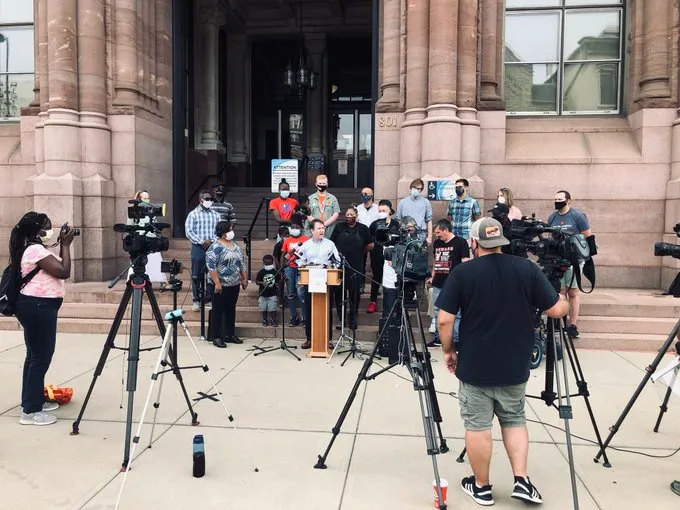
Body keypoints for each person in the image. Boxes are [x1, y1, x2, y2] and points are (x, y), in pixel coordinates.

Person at [436, 217, 569, 506]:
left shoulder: (463, 272)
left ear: (474, 242)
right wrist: (566, 300)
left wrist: (448, 351)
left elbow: (445, 319)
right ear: (501, 242)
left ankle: (481, 487)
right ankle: (521, 480)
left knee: (478, 426)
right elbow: (556, 309)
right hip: (514, 364)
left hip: (475, 365)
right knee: (514, 420)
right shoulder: (526, 268)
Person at [10, 212, 76, 426]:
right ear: (36, 231)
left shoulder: (33, 248)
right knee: (41, 357)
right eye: (47, 227)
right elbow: (63, 271)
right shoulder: (35, 249)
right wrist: (66, 245)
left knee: (34, 356)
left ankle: (34, 399)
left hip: (36, 306)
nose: (50, 231)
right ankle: (30, 411)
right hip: (37, 307)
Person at [547, 190, 592, 339]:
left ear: (568, 201)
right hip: (557, 259)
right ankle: (559, 323)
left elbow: (587, 237)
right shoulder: (552, 217)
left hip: (573, 259)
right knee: (560, 291)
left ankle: (572, 325)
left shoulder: (577, 216)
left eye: (560, 199)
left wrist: (586, 258)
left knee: (572, 292)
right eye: (555, 199)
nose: (557, 201)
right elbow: (549, 236)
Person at [425, 219, 469, 347]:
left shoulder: (460, 242)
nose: (437, 235)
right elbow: (436, 262)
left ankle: (455, 340)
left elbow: (465, 262)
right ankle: (439, 339)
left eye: (438, 232)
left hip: (454, 284)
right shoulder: (437, 243)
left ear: (446, 230)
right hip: (438, 282)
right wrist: (432, 278)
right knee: (437, 310)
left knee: (457, 312)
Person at [297, 219, 340, 350]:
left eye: (323, 228)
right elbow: (299, 260)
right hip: (310, 280)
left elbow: (337, 261)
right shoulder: (306, 245)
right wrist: (304, 265)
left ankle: (328, 339)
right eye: (319, 228)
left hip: (327, 280)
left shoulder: (330, 244)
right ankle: (310, 338)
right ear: (312, 230)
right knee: (310, 309)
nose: (322, 230)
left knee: (328, 309)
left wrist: (331, 266)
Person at [330, 206, 374, 330]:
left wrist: (361, 251)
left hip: (356, 266)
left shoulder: (363, 228)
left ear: (356, 215)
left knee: (355, 295)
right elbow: (331, 243)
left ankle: (353, 319)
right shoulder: (339, 227)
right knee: (339, 294)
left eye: (351, 214)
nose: (348, 216)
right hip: (340, 266)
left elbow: (371, 244)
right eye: (347, 214)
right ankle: (342, 319)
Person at [206, 221, 248, 348]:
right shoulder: (215, 247)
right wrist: (217, 283)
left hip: (234, 283)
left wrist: (244, 278)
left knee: (231, 309)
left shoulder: (235, 246)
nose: (232, 231)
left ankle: (230, 334)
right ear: (224, 233)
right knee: (218, 310)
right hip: (219, 284)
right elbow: (211, 266)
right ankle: (217, 336)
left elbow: (241, 262)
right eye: (230, 229)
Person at [185, 190, 221, 312]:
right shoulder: (193, 214)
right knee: (196, 275)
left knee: (211, 273)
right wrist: (201, 241)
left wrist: (211, 241)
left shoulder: (216, 215)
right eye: (207, 199)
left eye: (211, 199)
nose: (209, 201)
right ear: (201, 200)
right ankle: (196, 299)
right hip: (198, 247)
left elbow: (219, 231)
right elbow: (189, 231)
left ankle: (209, 298)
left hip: (212, 247)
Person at [368, 200, 400, 314]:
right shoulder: (374, 224)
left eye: (384, 210)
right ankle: (373, 301)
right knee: (376, 276)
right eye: (380, 211)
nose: (381, 212)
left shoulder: (396, 224)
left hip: (391, 254)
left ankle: (394, 300)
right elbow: (369, 239)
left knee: (392, 278)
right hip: (377, 252)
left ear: (390, 211)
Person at [127, 190, 166, 285]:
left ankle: (160, 280)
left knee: (155, 259)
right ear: (139, 199)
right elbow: (130, 226)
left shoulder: (151, 209)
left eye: (148, 198)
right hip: (139, 239)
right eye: (144, 198)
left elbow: (155, 224)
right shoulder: (133, 211)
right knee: (140, 261)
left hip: (151, 238)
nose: (147, 200)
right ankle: (137, 281)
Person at [280, 214, 309, 326]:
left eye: (297, 227)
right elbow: (283, 254)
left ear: (301, 228)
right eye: (292, 227)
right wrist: (283, 267)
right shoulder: (288, 240)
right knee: (291, 293)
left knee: (301, 293)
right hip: (289, 268)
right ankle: (293, 317)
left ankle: (305, 317)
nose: (294, 229)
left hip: (301, 268)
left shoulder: (306, 239)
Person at [357, 187, 380, 294]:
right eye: (362, 194)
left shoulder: (377, 208)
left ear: (372, 195)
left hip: (374, 237)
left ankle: (376, 286)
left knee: (376, 264)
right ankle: (360, 285)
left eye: (366, 194)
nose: (364, 196)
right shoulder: (358, 208)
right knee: (361, 262)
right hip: (362, 238)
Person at [396, 178, 433, 245]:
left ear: (421, 190)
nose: (416, 190)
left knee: (420, 254)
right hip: (405, 233)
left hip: (420, 233)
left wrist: (430, 236)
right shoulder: (402, 202)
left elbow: (429, 220)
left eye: (418, 188)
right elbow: (398, 219)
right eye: (414, 187)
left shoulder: (426, 202)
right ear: (411, 188)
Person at [306, 174, 341, 239]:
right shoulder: (310, 198)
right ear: (316, 184)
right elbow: (307, 214)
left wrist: (324, 225)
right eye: (320, 183)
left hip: (328, 232)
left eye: (323, 183)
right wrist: (317, 225)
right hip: (313, 232)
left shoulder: (333, 198)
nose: (322, 185)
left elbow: (336, 213)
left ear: (327, 184)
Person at [255, 254, 279, 327]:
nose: (268, 265)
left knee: (272, 308)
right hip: (263, 294)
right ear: (263, 263)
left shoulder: (275, 272)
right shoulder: (261, 272)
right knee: (263, 308)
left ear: (273, 263)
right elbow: (257, 281)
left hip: (272, 293)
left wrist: (282, 280)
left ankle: (273, 319)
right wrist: (262, 283)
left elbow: (278, 281)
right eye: (267, 264)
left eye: (270, 263)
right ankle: (265, 320)